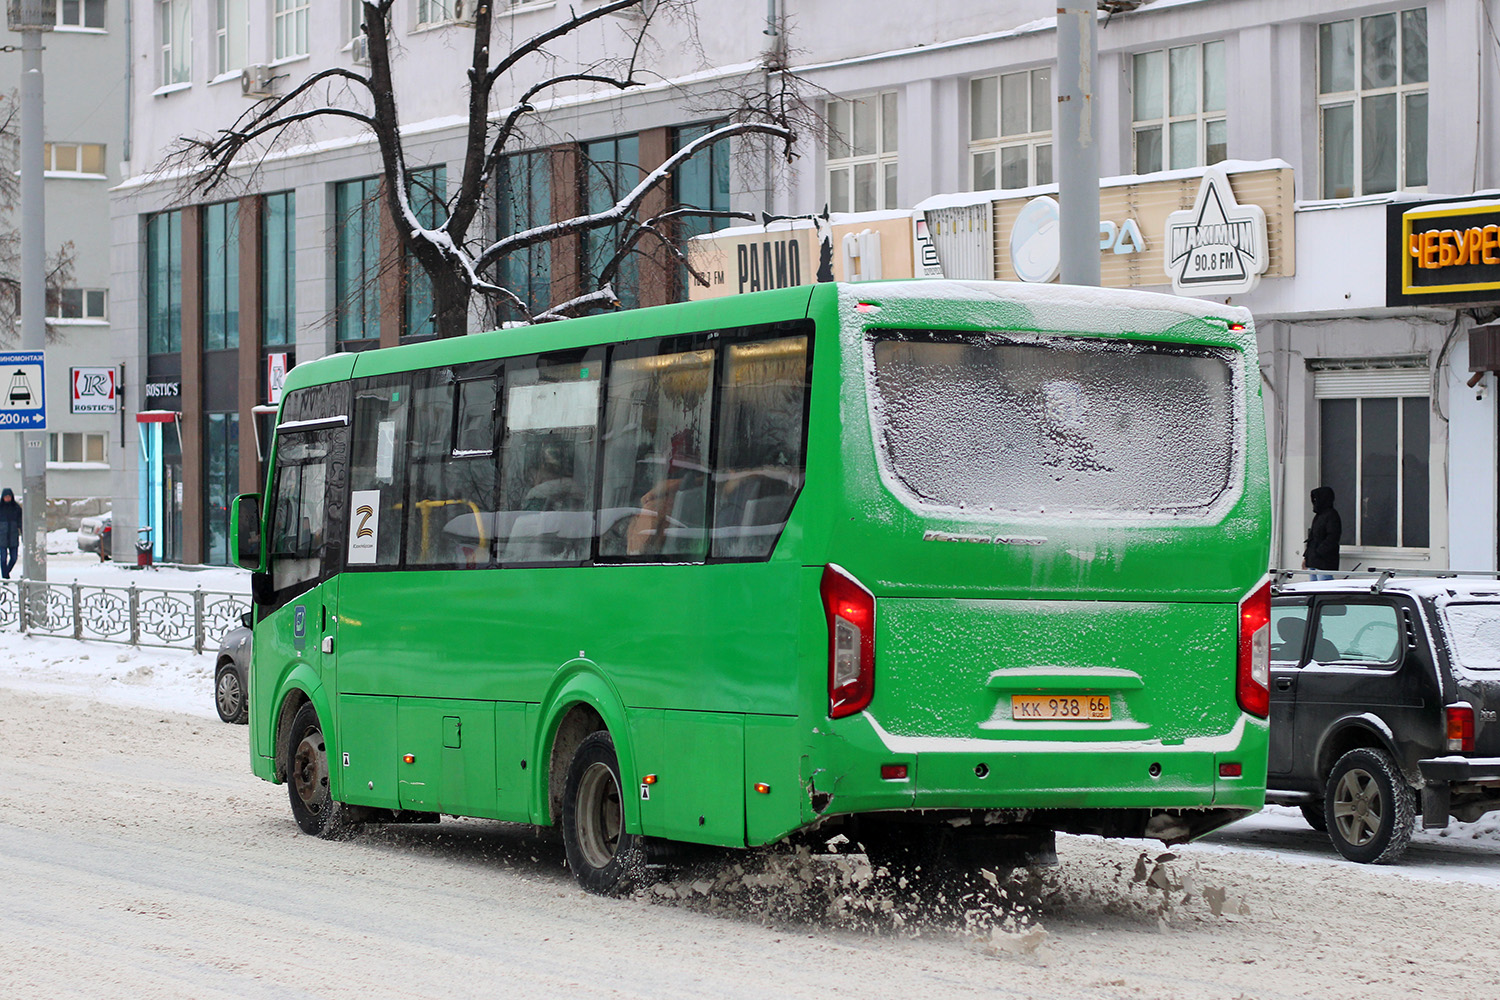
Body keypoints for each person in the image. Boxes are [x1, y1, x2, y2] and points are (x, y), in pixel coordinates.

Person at [1303, 485, 1341, 581]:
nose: (1315, 502)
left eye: (1317, 499)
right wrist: (1306, 557)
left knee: (1323, 587)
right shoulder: (1318, 516)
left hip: (1325, 561)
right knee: (1313, 589)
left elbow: (1333, 537)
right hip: (1313, 560)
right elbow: (1312, 538)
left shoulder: (1332, 515)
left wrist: (1319, 552)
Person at [0, 488, 20, 580]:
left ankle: (6, 573)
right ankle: (5, 577)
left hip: (13, 536)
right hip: (2, 537)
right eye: (5, 497)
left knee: (14, 558)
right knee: (3, 559)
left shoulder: (16, 508)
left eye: (9, 497)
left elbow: (21, 522)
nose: (7, 498)